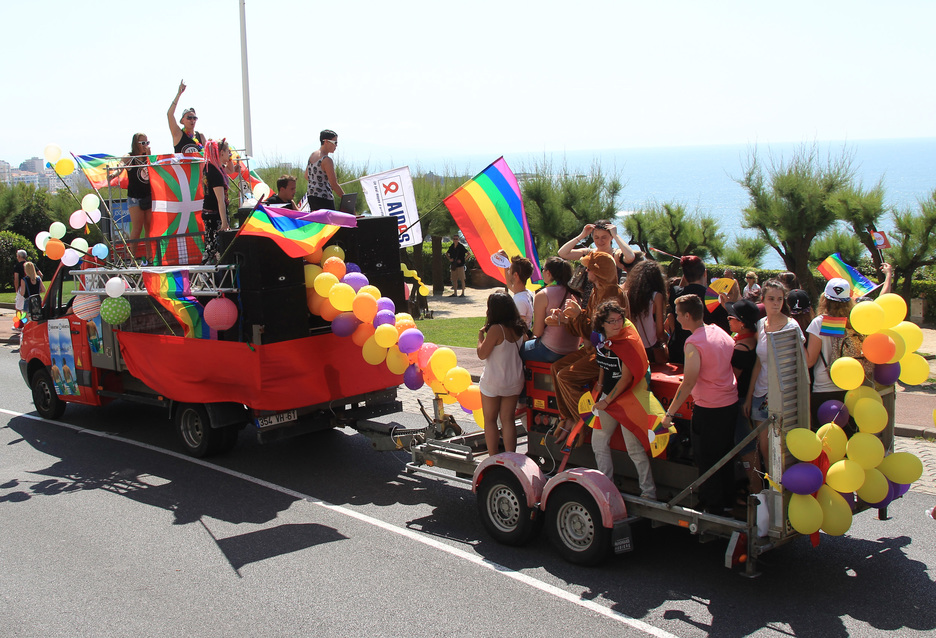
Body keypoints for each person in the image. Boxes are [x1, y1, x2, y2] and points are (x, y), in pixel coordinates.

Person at [660, 294, 739, 514]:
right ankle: (727, 501)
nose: (676, 318)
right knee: (725, 453)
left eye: (677, 315)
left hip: (709, 407)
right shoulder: (718, 330)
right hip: (729, 401)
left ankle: (713, 507)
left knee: (706, 457)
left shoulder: (693, 341)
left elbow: (689, 381)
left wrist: (669, 414)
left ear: (687, 315)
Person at [551, 252, 628, 435]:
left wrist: (578, 316)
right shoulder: (596, 290)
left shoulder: (612, 294)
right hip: (595, 348)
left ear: (599, 272)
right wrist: (567, 318)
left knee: (565, 376)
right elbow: (588, 327)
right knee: (556, 368)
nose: (586, 271)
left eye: (590, 268)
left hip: (609, 354)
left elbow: (599, 331)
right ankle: (568, 416)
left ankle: (583, 420)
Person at [591, 301, 657, 499]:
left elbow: (626, 378)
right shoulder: (602, 340)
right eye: (611, 321)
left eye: (619, 319)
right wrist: (600, 386)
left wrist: (606, 401)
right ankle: (606, 488)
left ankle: (649, 493)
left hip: (627, 400)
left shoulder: (627, 341)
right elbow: (603, 364)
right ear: (602, 323)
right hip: (608, 397)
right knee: (598, 442)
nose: (617, 324)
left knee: (634, 448)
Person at [744, 279, 805, 460]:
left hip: (783, 394)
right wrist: (749, 396)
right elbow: (758, 362)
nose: (776, 303)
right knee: (764, 445)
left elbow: (800, 364)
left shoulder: (792, 326)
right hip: (760, 393)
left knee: (781, 445)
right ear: (763, 299)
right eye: (771, 299)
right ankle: (769, 484)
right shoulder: (760, 324)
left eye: (780, 299)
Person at [806, 278, 862, 432]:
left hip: (824, 388)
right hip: (849, 387)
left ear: (824, 299)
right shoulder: (854, 322)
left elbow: (810, 361)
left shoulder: (819, 323)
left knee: (825, 441)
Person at [477, 291, 526, 457]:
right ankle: (511, 458)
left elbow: (482, 354)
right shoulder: (519, 328)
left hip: (494, 381)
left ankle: (493, 457)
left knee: (490, 420)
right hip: (514, 381)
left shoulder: (496, 329)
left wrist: (480, 336)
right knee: (508, 419)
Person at [666, 255, 730, 364]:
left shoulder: (675, 293)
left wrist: (686, 272)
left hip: (678, 351)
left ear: (684, 276)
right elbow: (725, 328)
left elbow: (680, 287)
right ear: (705, 273)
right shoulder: (713, 298)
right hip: (705, 352)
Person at [725, 299, 761, 496]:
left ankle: (756, 489)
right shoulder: (755, 339)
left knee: (746, 448)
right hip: (750, 398)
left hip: (738, 402)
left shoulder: (741, 349)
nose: (728, 320)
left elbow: (732, 379)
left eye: (731, 318)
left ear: (742, 323)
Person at [558, 220, 636, 305]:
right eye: (596, 237)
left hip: (610, 302)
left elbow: (630, 257)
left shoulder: (615, 254)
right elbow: (562, 253)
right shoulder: (589, 253)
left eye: (604, 237)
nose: (600, 241)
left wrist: (616, 235)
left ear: (611, 237)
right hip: (589, 301)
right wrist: (582, 235)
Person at [522, 257, 582, 363]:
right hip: (573, 350)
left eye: (543, 269)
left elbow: (537, 332)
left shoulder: (543, 294)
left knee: (519, 350)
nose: (542, 272)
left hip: (550, 350)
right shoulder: (576, 294)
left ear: (548, 273)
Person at [625, 259, 668, 362]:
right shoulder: (657, 296)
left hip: (633, 345)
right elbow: (659, 331)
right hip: (651, 346)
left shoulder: (628, 295)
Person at [201, 139, 232, 263]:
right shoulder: (215, 172)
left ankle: (208, 275)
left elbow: (231, 169)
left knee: (214, 247)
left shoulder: (211, 168)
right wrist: (224, 222)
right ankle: (204, 273)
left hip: (210, 213)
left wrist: (229, 158)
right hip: (214, 215)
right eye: (227, 152)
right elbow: (220, 200)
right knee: (213, 247)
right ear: (221, 152)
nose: (229, 154)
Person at [123, 133, 153, 250]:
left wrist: (149, 155)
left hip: (148, 195)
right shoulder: (130, 157)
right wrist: (116, 172)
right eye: (142, 143)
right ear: (136, 143)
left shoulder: (147, 157)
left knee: (149, 228)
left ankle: (151, 257)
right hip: (134, 197)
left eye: (147, 143)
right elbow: (122, 163)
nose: (145, 145)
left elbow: (154, 169)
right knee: (137, 228)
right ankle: (132, 259)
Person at [305, 129, 344, 210]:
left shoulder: (312, 155)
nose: (336, 145)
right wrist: (346, 200)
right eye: (334, 143)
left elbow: (306, 176)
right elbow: (334, 184)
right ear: (326, 141)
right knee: (329, 223)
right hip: (324, 198)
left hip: (311, 197)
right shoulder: (326, 160)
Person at [168, 80, 206, 154]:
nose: (192, 120)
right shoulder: (178, 134)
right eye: (189, 118)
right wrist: (178, 94)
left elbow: (208, 155)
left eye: (194, 118)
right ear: (182, 121)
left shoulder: (200, 136)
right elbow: (170, 114)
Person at [504, 254, 534, 330]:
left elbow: (519, 329)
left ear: (515, 275)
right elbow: (510, 285)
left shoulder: (520, 300)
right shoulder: (526, 293)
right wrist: (505, 263)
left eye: (510, 270)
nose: (508, 272)